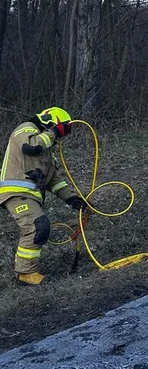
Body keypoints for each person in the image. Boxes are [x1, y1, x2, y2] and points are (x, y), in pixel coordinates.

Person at [1, 107, 86, 285]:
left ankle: (27, 272)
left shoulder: (46, 153)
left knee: (40, 226)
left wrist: (72, 199)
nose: (57, 139)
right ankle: (25, 274)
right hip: (15, 192)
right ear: (50, 123)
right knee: (37, 226)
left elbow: (54, 181)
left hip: (29, 195)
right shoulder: (26, 129)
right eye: (58, 131)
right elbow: (30, 146)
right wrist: (54, 132)